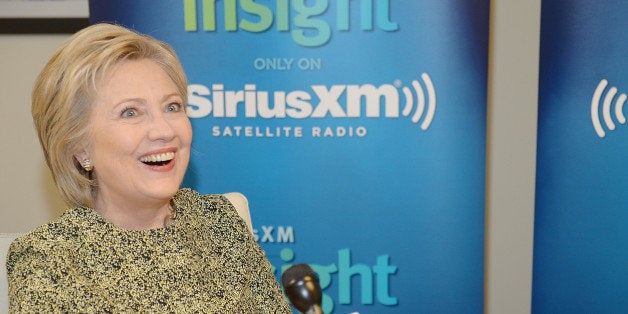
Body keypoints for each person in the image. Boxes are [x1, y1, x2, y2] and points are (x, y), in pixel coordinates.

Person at [6, 23, 291, 313]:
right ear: (80, 148)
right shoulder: (50, 258)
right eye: (131, 112)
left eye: (172, 107)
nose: (163, 130)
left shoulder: (221, 222)